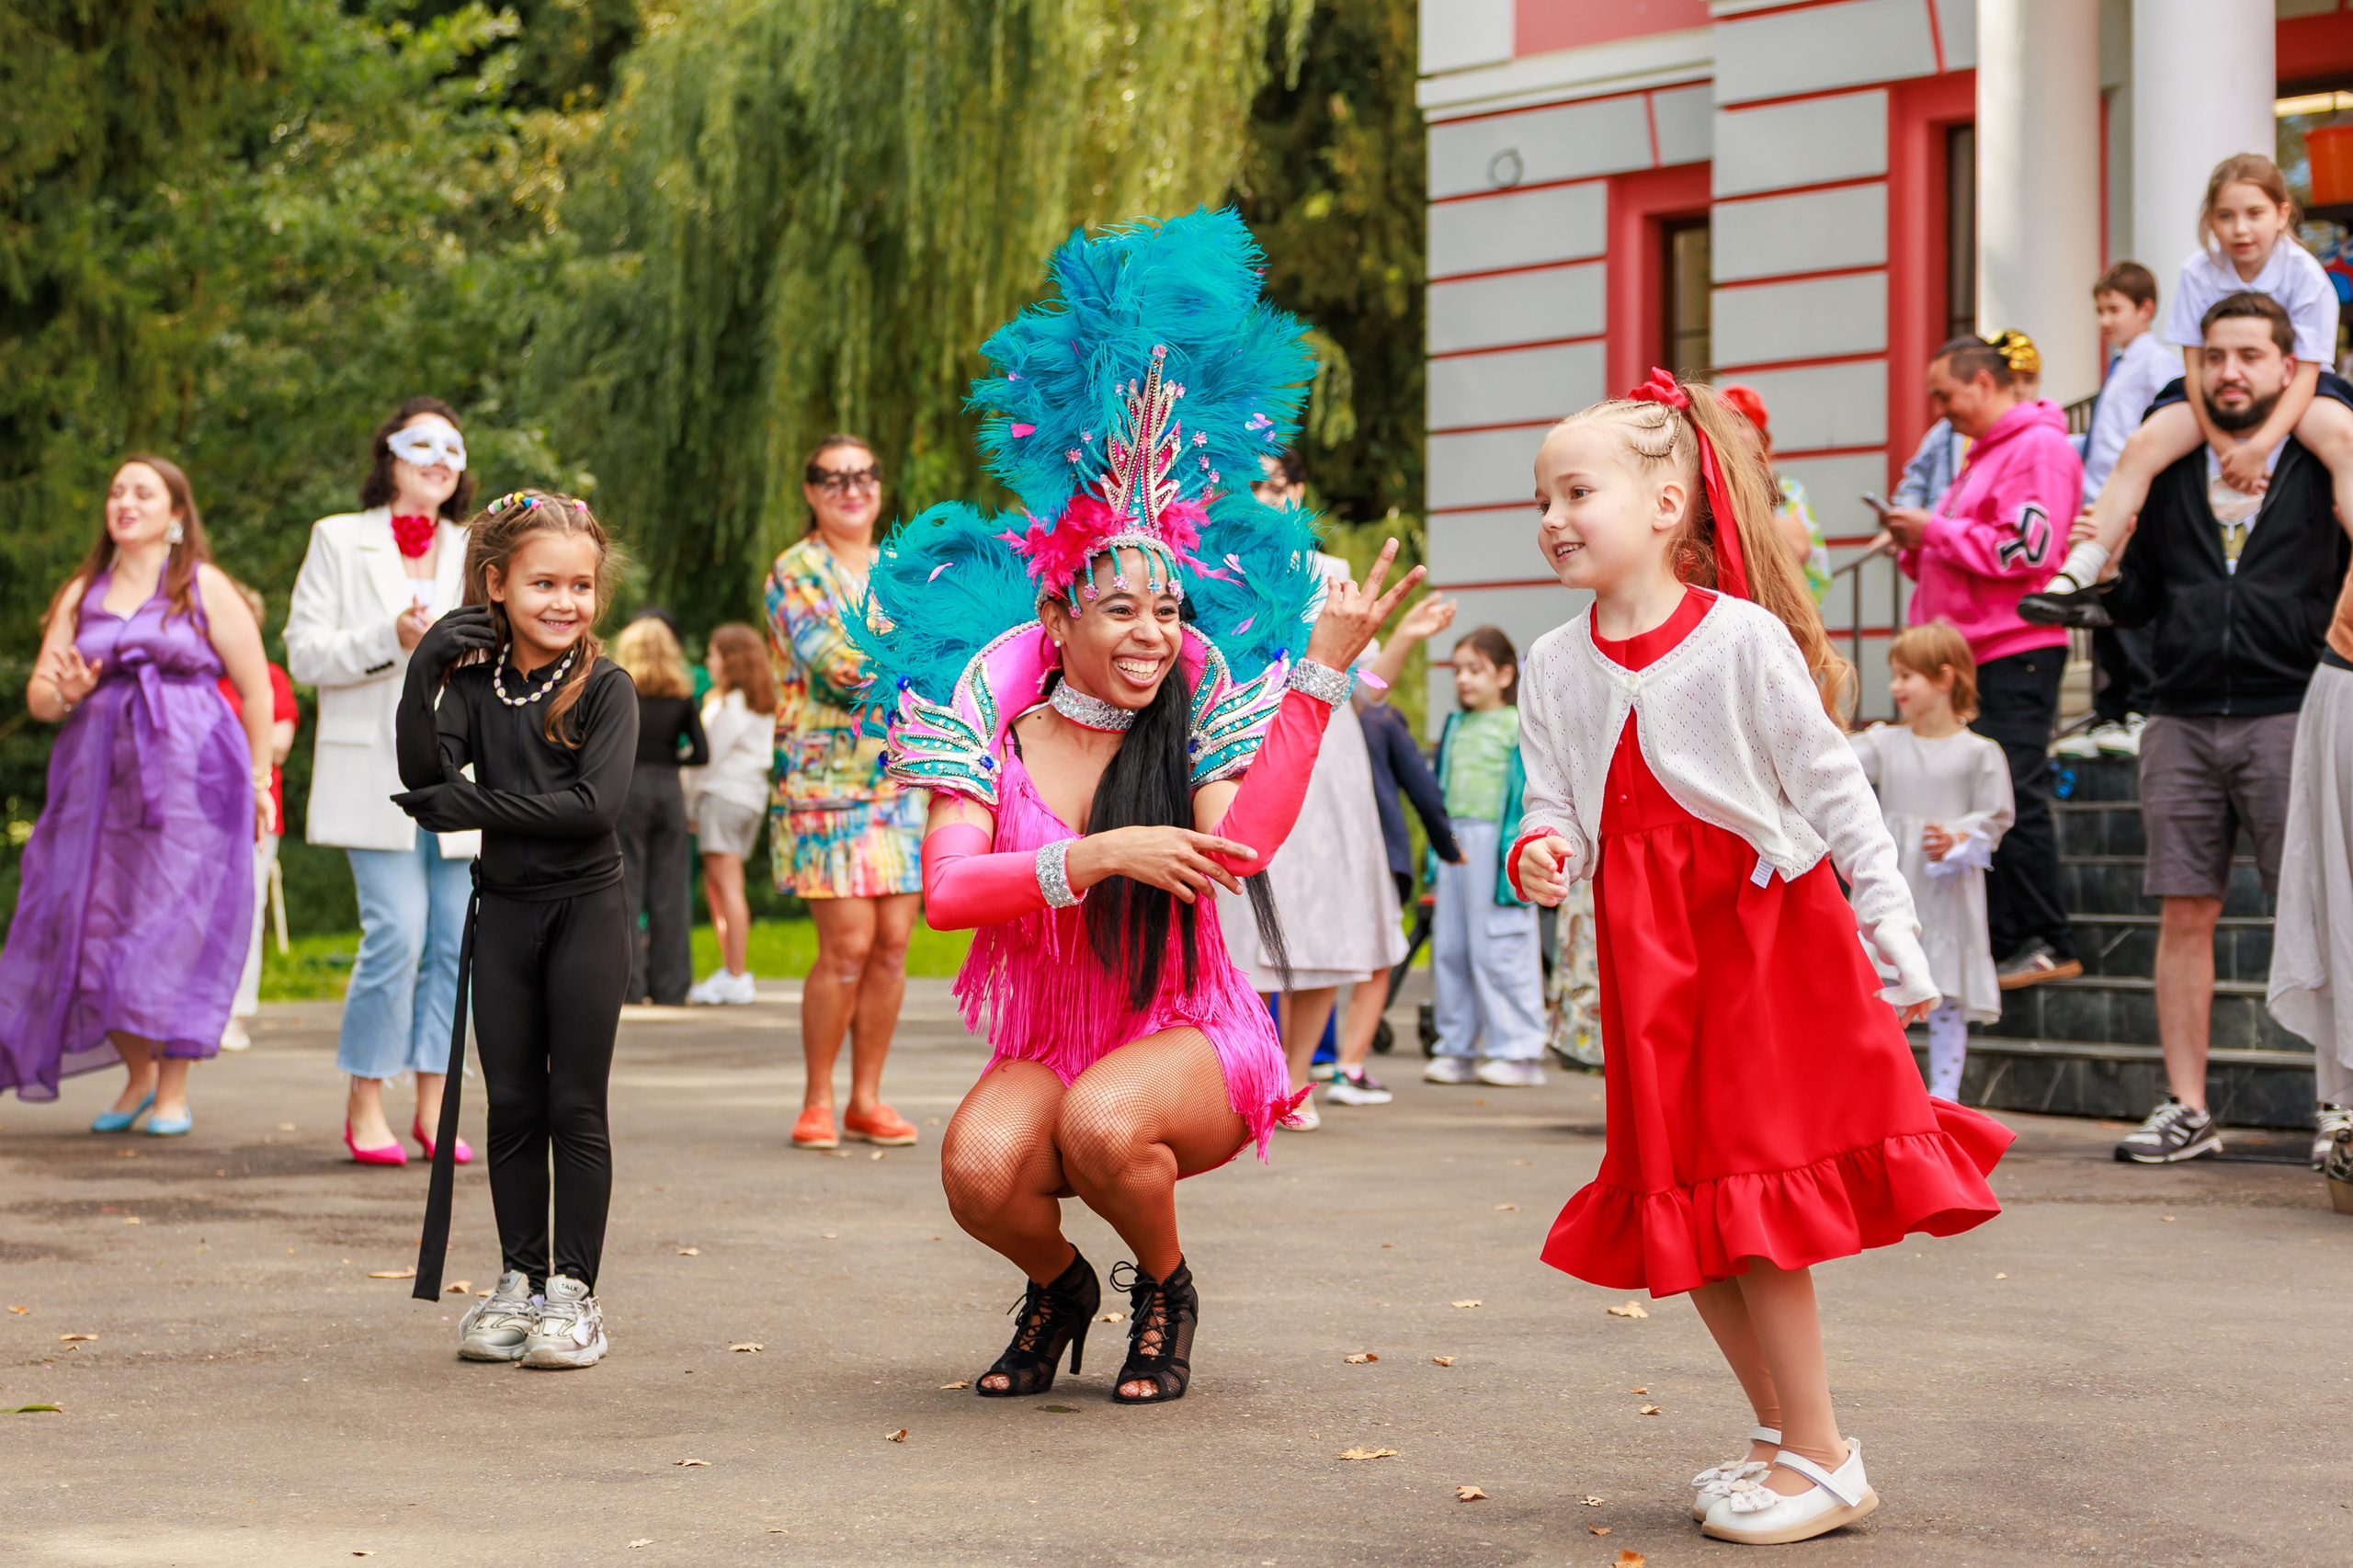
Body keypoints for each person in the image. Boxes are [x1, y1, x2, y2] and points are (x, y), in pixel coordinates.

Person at [865, 210, 1423, 1406]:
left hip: (1191, 1033)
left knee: (1107, 1126)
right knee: (974, 1166)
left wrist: (1321, 679)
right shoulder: (989, 702)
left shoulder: (1198, 692)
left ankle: (1162, 1287)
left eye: (1167, 613)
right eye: (1120, 611)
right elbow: (950, 893)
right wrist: (1100, 853)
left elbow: (1248, 843)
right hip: (1053, 1030)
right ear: (1058, 619)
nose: (1152, 636)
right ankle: (1063, 1283)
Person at [1512, 369, 2010, 1546]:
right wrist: (1544, 847)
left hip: (1756, 943)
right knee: (1677, 1208)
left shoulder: (1738, 638)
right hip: (1648, 962)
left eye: (1578, 489)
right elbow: (1555, 801)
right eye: (1541, 497)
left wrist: (1889, 924)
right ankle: (1787, 1432)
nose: (1552, 516)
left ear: (1668, 502)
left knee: (1746, 1204)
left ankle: (1829, 1454)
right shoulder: (1551, 660)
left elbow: (1831, 783)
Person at [2091, 293, 2351, 1165]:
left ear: (2288, 369)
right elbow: (2141, 598)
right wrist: (2114, 580)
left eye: (2248, 355)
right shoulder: (2170, 469)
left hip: (2293, 713)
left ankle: (2338, 1109)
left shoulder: (2318, 464)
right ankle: (2188, 1108)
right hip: (2182, 716)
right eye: (2215, 357)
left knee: (2321, 912)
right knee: (2184, 913)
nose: (2230, 371)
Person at [394, 490, 636, 1369]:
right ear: (496, 584)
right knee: (512, 1108)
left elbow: (592, 807)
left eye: (580, 585)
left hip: (586, 916)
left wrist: (473, 805)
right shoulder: (471, 684)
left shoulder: (606, 687)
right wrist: (424, 667)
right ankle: (519, 1281)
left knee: (574, 1105)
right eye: (543, 583)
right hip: (503, 915)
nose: (564, 602)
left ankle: (574, 1295)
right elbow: (423, 775)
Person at [0, 456, 274, 1132]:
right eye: (117, 490)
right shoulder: (81, 592)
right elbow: (40, 695)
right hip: (95, 785)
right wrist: (62, 694)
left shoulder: (202, 585)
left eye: (143, 492)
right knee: (94, 929)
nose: (125, 501)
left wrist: (260, 778)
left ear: (176, 516)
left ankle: (173, 1087)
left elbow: (259, 688)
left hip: (194, 781)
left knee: (175, 928)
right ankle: (139, 1075)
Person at [2027, 153, 2353, 624]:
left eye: (2254, 214)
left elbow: (2304, 372)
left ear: (2282, 214)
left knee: (2344, 439)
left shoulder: (2306, 275)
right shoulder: (2198, 272)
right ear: (2210, 221)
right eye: (2226, 216)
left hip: (2297, 387)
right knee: (2141, 445)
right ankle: (2082, 567)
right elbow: (2196, 365)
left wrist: (2259, 446)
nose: (2240, 229)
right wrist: (2223, 443)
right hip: (2215, 390)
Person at [285, 396, 476, 1165]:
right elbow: (304, 655)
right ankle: (366, 1096)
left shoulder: (478, 546)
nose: (436, 458)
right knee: (395, 933)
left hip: (463, 771)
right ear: (390, 456)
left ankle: (436, 1104)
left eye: (451, 449)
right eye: (419, 444)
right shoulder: (337, 538)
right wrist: (385, 640)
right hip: (373, 769)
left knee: (454, 941)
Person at [1881, 333, 2083, 990]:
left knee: (2010, 793)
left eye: (1946, 394)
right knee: (1978, 794)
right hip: (1971, 651)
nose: (1939, 409)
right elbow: (1974, 548)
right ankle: (2003, 939)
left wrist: (1933, 530)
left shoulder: (2038, 448)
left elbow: (2029, 551)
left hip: (2013, 650)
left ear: (1985, 384)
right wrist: (1916, 543)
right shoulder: (1982, 457)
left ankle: (2046, 939)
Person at [1212, 534, 1405, 1132]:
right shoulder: (1217, 563)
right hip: (1243, 742)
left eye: (1276, 479)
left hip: (1325, 745)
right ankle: (1244, 1068)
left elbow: (1371, 685)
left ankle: (1297, 1077)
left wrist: (1407, 637)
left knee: (1324, 916)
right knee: (1241, 908)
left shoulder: (1333, 572)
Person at [765, 435, 923, 1152]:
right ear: (811, 491)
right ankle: (816, 1099)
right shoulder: (795, 571)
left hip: (902, 776)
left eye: (863, 475)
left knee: (893, 945)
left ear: (880, 486)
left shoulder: (904, 568)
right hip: (827, 781)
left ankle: (867, 1098)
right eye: (832, 478)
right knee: (848, 947)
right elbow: (839, 668)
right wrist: (929, 652)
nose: (849, 489)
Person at [1849, 624, 2015, 1101]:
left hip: (1946, 888)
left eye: (1907, 676)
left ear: (1944, 678)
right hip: (1898, 878)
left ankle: (1944, 1092)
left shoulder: (1980, 753)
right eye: (1895, 675)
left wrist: (1960, 834)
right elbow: (1836, 760)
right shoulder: (1887, 744)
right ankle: (1887, 1086)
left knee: (1945, 986)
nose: (1895, 687)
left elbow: (1997, 817)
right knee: (1884, 981)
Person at [1324, 669, 1463, 1108]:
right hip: (1375, 854)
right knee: (1380, 958)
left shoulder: (1303, 714)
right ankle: (1350, 1067)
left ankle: (1297, 1068)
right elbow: (1422, 790)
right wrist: (1447, 845)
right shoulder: (1382, 721)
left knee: (1314, 960)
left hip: (1320, 858)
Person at [2054, 263, 2171, 762]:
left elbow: (2159, 431)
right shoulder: (2122, 364)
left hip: (2134, 503)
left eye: (2114, 310)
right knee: (2102, 606)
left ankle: (2143, 710)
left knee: (2130, 606)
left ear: (2145, 310)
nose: (2104, 320)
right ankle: (2110, 711)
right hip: (2104, 500)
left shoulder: (2157, 364)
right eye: (2100, 310)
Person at [1422, 626, 1548, 1086]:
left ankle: (1518, 1050)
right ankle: (1456, 1047)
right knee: (1452, 948)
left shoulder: (1519, 723)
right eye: (1458, 671)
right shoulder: (1456, 725)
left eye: (1475, 669)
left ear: (1504, 674)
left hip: (1498, 846)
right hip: (1455, 845)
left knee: (1502, 945)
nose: (1463, 680)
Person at [216, 582, 300, 1051]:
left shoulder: (268, 677)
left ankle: (235, 1012)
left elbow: (279, 744)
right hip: (194, 813)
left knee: (247, 912)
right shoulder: (194, 677)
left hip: (254, 812)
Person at [612, 615, 709, 1006]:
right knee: (670, 891)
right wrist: (672, 757)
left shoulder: (620, 692)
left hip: (628, 790)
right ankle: (671, 987)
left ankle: (628, 988)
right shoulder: (682, 697)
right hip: (668, 791)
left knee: (626, 888)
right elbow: (701, 753)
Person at [685, 623, 777, 1005]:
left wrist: (688, 803)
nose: (708, 662)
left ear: (730, 660)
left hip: (721, 797)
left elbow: (705, 761)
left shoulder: (727, 705)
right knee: (722, 884)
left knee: (726, 886)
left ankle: (736, 974)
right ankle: (731, 970)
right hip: (750, 798)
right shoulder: (761, 705)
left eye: (713, 654)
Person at [1717, 383, 1832, 603]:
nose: (1732, 431)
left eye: (1742, 423)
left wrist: (1760, 493)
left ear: (1761, 439)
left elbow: (1798, 550)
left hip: (1774, 604)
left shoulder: (1786, 489)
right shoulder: (1704, 486)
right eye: (1724, 424)